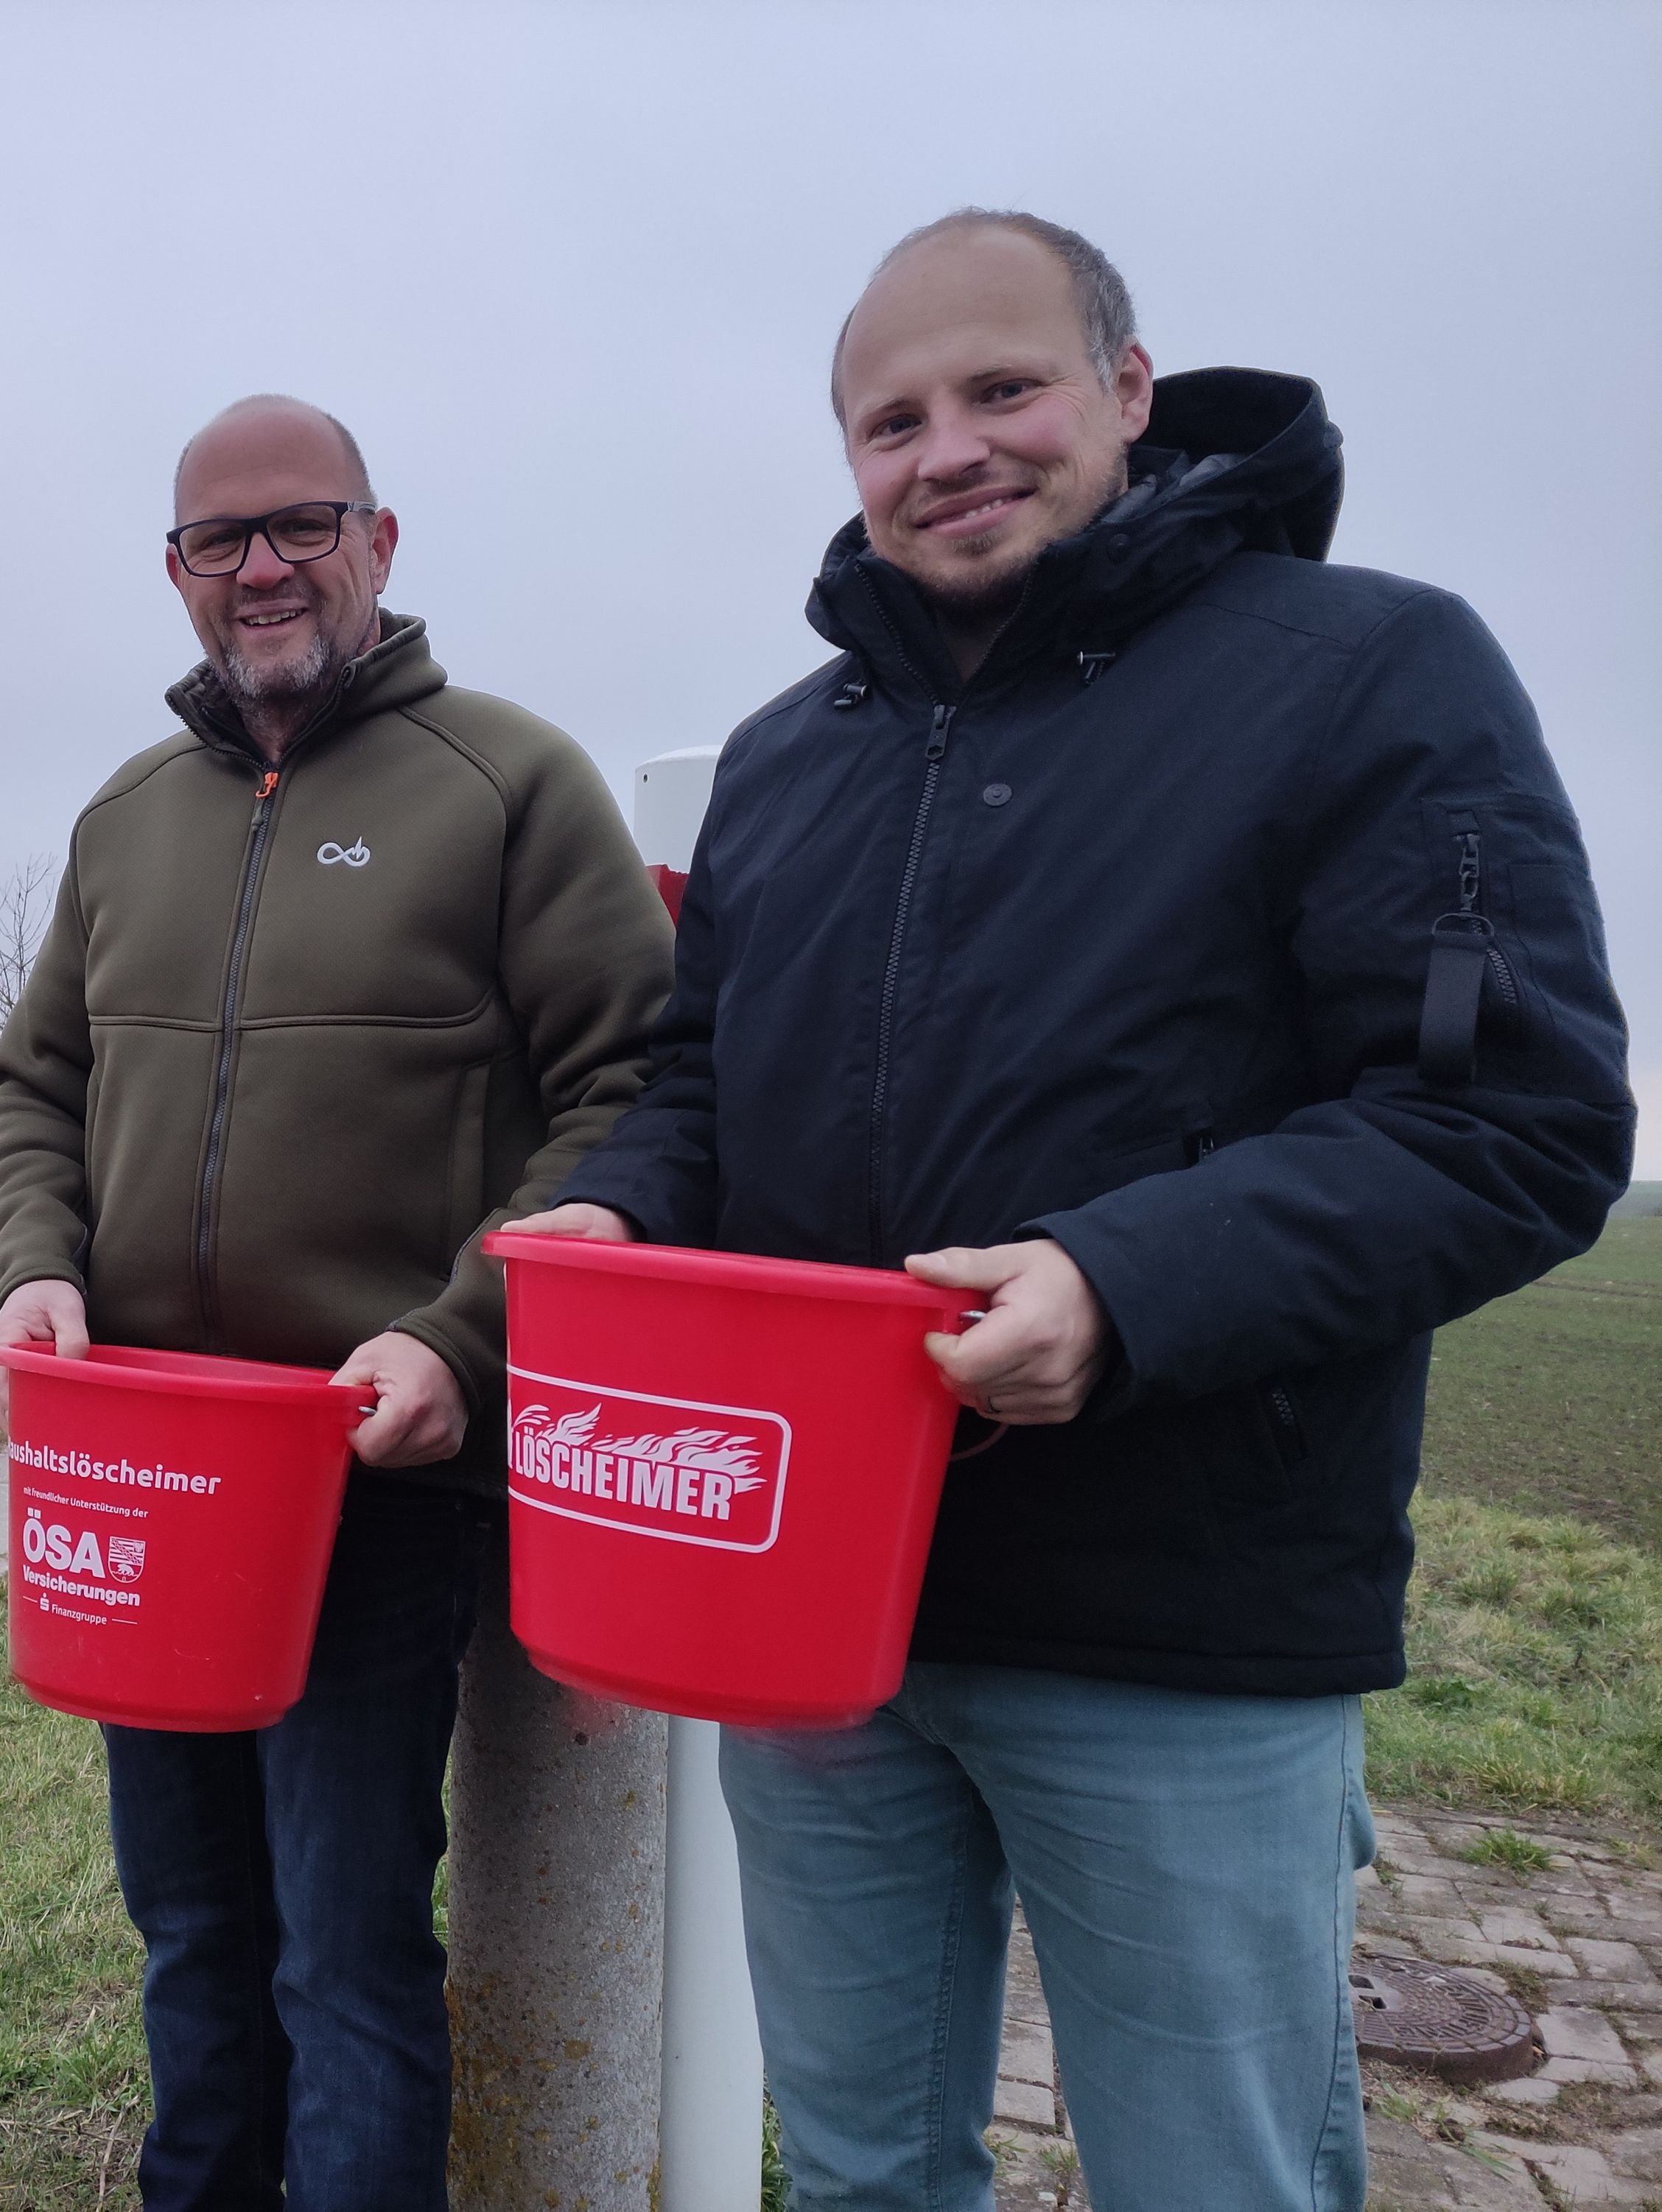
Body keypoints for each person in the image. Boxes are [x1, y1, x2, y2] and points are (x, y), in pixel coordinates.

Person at [508, 211, 1634, 2208]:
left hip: (1180, 1615)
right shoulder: (783, 762)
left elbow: (1509, 1120)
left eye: (1001, 389)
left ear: (1125, 389)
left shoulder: (1369, 670)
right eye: (892, 420)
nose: (948, 449)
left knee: (1213, 2177)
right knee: (858, 2169)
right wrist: (617, 1217)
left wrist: (1121, 1283)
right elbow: (696, 1089)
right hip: (811, 1612)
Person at [0, 394, 671, 2208]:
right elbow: (34, 1084)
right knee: (191, 1926)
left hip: (373, 1471)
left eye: (303, 524)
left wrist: (461, 1337)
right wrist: (38, 1264)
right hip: (149, 1470)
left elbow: (633, 1095)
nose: (263, 566)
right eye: (222, 538)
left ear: (379, 538)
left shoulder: (508, 782)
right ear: (175, 571)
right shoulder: (124, 816)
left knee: (342, 1948)